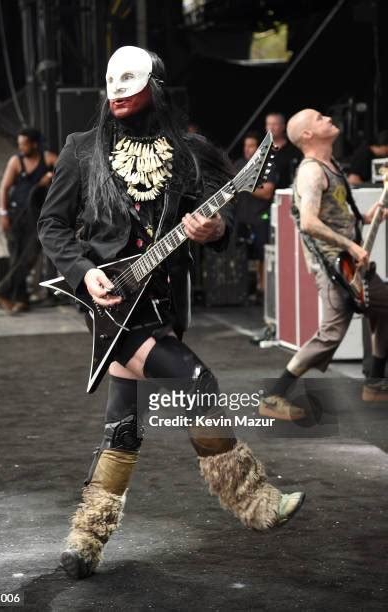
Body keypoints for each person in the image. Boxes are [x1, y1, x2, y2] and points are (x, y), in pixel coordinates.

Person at [38, 45, 304, 580]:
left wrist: (217, 229)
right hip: (110, 300)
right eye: (112, 83)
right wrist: (82, 272)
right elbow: (53, 226)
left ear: (155, 87)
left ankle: (85, 540)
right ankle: (253, 501)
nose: (117, 93)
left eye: (131, 84)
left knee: (124, 426)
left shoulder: (190, 151)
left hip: (162, 306)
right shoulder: (82, 149)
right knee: (198, 385)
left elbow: (226, 231)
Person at [260, 109, 388, 421]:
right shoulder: (311, 172)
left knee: (384, 308)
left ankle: (375, 382)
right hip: (335, 266)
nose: (328, 118)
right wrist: (351, 245)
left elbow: (342, 215)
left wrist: (372, 214)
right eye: (319, 118)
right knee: (331, 333)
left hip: (349, 263)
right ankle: (274, 395)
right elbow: (309, 221)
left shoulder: (332, 167)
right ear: (307, 135)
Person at [0, 128, 57, 313]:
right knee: (16, 258)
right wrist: (3, 213)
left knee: (30, 256)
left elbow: (67, 166)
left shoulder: (47, 158)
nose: (21, 147)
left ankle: (2, 291)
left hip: (36, 216)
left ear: (34, 144)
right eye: (19, 144)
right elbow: (4, 188)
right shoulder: (16, 161)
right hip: (15, 215)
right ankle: (20, 300)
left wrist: (51, 176)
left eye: (24, 144)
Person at [234, 131, 278, 298]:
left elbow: (267, 192)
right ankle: (241, 289)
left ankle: (262, 288)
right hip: (241, 217)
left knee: (261, 255)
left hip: (261, 218)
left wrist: (246, 184)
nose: (247, 149)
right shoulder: (238, 164)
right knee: (239, 255)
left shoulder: (267, 165)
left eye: (251, 145)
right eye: (245, 146)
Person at [265, 112, 302, 188]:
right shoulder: (260, 149)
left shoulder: (293, 149)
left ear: (283, 126)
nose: (271, 128)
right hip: (263, 196)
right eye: (269, 124)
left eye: (275, 124)